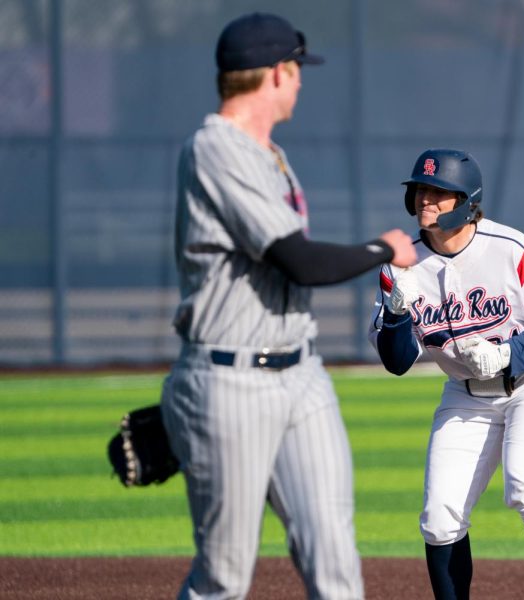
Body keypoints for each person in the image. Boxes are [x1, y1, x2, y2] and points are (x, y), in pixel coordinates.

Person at [159, 12, 416, 600]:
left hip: (300, 374)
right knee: (223, 578)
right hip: (231, 381)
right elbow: (299, 261)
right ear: (276, 71)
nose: (300, 82)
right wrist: (382, 248)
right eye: (297, 70)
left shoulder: (269, 152)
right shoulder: (215, 149)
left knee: (336, 563)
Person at [368, 149, 524, 599]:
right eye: (420, 190)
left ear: (467, 201)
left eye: (439, 192)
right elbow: (397, 360)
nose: (426, 199)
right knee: (439, 518)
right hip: (467, 394)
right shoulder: (403, 264)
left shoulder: (512, 249)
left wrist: (507, 354)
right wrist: (395, 313)